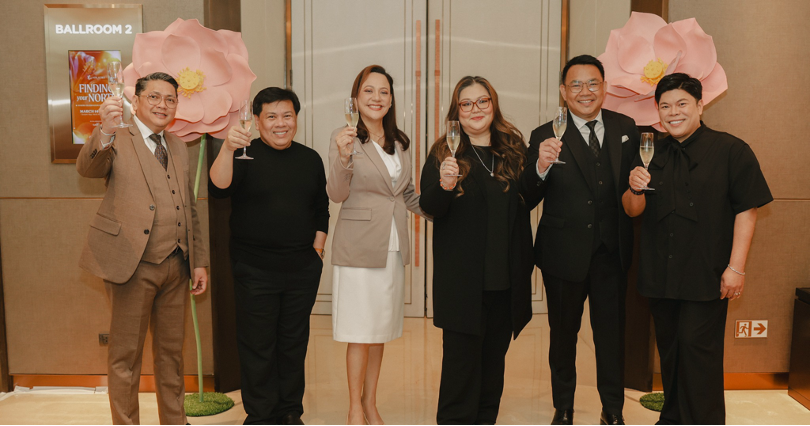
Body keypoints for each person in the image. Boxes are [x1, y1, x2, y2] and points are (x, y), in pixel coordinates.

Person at [623, 73, 772, 425]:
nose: (673, 112)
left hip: (707, 273)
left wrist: (736, 268)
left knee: (698, 352)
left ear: (700, 105)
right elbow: (632, 210)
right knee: (671, 351)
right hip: (660, 273)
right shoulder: (649, 151)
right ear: (657, 111)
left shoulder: (731, 150)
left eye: (682, 104)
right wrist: (635, 188)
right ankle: (672, 418)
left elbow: (747, 210)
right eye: (665, 106)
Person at [77, 72, 208, 425]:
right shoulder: (117, 136)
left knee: (171, 356)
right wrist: (104, 131)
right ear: (135, 102)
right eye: (154, 97)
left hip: (177, 266)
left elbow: (189, 207)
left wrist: (198, 261)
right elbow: (87, 168)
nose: (163, 105)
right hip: (131, 265)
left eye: (170, 99)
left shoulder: (178, 145)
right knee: (126, 357)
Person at [420, 76, 544, 425]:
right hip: (462, 287)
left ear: (493, 104)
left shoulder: (513, 148)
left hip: (505, 284)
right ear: (457, 111)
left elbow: (528, 198)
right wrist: (445, 185)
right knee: (460, 377)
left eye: (482, 101)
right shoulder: (444, 153)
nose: (475, 109)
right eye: (466, 103)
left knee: (492, 376)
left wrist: (541, 169)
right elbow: (430, 206)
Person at [527, 55, 640, 426]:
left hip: (612, 252)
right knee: (563, 337)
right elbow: (526, 196)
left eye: (593, 83)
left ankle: (613, 410)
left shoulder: (626, 127)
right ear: (563, 91)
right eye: (575, 84)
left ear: (604, 87)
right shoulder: (545, 134)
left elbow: (634, 184)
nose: (585, 91)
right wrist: (540, 167)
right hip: (563, 254)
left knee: (611, 337)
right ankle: (563, 407)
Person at [209, 87, 329, 426]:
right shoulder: (244, 154)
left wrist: (317, 252)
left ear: (296, 119)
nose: (281, 123)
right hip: (254, 269)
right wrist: (228, 148)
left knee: (293, 344)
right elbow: (218, 188)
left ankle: (289, 410)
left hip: (301, 269)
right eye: (272, 116)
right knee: (257, 345)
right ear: (257, 120)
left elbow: (321, 209)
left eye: (287, 116)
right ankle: (260, 415)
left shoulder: (310, 159)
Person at [327, 65, 426, 425]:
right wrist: (343, 158)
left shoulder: (399, 143)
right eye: (368, 91)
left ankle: (370, 403)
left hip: (392, 248)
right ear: (355, 98)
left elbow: (408, 195)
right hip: (358, 249)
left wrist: (445, 207)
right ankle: (354, 407)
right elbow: (336, 193)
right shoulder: (345, 137)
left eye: (384, 92)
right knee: (359, 333)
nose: (377, 98)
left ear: (391, 99)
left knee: (379, 330)